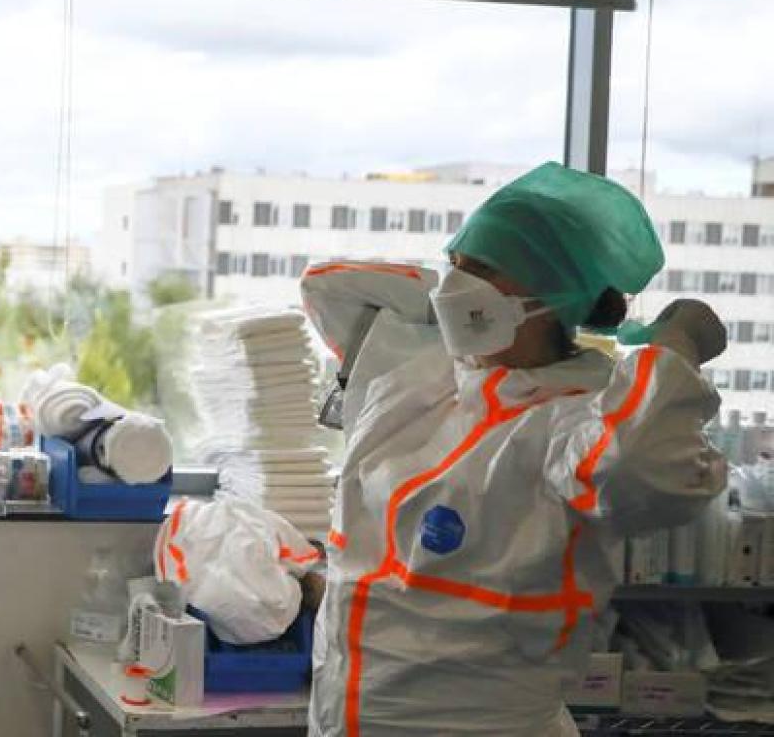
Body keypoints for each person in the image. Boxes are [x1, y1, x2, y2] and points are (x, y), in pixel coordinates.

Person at [304, 163, 729, 737]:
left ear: (548, 295)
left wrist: (673, 352)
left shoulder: (572, 421)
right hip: (346, 716)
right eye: (453, 263)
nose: (454, 283)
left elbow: (641, 466)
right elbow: (326, 285)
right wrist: (459, 303)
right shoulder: (422, 381)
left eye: (481, 269)